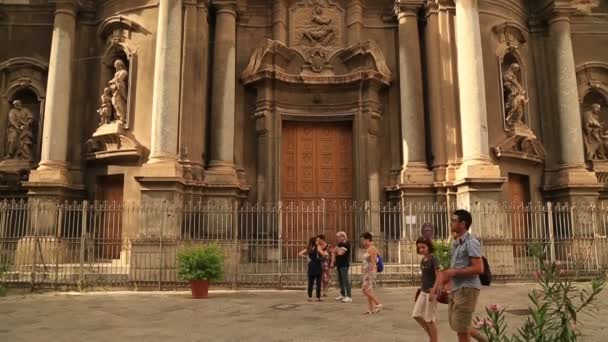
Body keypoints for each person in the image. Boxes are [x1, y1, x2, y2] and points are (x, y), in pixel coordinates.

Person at [438, 209, 487, 342]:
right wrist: (445, 282)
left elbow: (479, 268)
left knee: (461, 329)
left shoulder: (471, 242)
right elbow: (455, 267)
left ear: (463, 223)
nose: (451, 223)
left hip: (468, 289)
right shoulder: (456, 242)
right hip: (457, 288)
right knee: (457, 324)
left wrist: (454, 272)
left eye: (454, 221)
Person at [413, 237, 440, 342]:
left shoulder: (434, 259)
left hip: (431, 292)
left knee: (430, 319)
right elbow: (425, 277)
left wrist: (434, 291)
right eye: (419, 248)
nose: (421, 250)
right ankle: (432, 336)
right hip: (423, 291)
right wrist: (420, 289)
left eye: (423, 247)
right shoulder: (423, 260)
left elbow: (439, 276)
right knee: (416, 315)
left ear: (429, 247)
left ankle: (434, 340)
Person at [360, 232, 382, 314]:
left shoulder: (372, 248)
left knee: (364, 290)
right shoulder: (368, 248)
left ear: (367, 239)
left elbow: (373, 261)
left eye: (363, 240)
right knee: (368, 289)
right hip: (367, 271)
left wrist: (372, 272)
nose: (363, 242)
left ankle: (378, 303)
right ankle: (370, 309)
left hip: (370, 271)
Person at [299, 237, 322, 302]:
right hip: (317, 265)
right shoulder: (317, 247)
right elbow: (322, 254)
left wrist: (307, 258)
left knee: (310, 282)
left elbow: (300, 253)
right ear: (314, 241)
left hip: (311, 265)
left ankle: (309, 297)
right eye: (317, 240)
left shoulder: (309, 248)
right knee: (318, 283)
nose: (318, 241)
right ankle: (318, 297)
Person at [333, 231, 352, 303]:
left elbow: (340, 253)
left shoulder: (346, 244)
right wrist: (337, 250)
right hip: (339, 264)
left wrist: (337, 251)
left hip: (344, 265)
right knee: (340, 280)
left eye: (339, 237)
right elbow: (334, 251)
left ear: (343, 237)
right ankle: (342, 294)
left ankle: (349, 296)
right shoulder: (340, 244)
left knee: (345, 280)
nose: (337, 238)